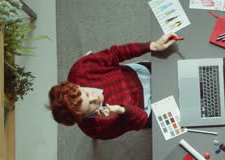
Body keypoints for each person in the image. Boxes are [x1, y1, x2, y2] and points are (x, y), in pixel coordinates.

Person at [48, 33, 179, 140]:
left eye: (87, 93)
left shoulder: (80, 70)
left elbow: (116, 53)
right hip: (147, 109)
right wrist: (121, 111)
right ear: (82, 117)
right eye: (91, 105)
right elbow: (142, 120)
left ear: (76, 85)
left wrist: (153, 46)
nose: (97, 98)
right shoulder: (97, 129)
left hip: (142, 74)